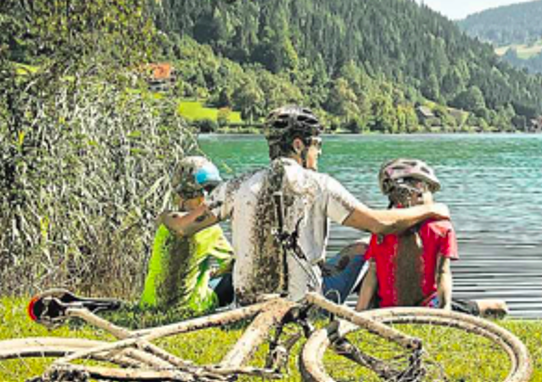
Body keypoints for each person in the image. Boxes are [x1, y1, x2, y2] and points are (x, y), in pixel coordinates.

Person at [162, 106, 450, 305]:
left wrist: (164, 216)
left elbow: (184, 226)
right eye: (317, 145)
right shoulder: (319, 185)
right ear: (299, 145)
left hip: (246, 309)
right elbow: (380, 222)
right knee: (365, 246)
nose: (319, 152)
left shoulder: (236, 186)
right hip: (301, 310)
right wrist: (432, 210)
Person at [355, 158, 508, 317]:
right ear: (421, 189)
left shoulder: (383, 226)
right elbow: (443, 272)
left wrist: (359, 311)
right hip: (427, 308)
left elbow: (372, 274)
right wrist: (445, 309)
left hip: (387, 308)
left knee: (497, 307)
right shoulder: (441, 227)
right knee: (500, 307)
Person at [140, 156, 234, 313]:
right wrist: (216, 273)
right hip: (189, 308)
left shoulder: (165, 222)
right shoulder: (210, 229)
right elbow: (231, 264)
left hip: (150, 305)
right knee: (232, 276)